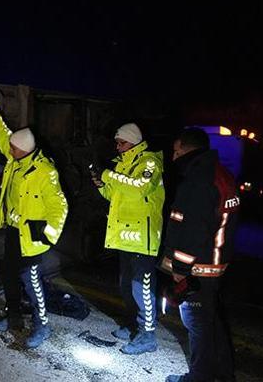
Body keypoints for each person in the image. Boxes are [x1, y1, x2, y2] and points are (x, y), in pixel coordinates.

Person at [0, 88, 69, 349]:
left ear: (23, 150)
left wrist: (47, 234)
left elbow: (60, 205)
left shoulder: (45, 171)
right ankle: (13, 319)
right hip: (13, 230)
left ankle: (41, 326)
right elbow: (2, 134)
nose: (8, 148)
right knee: (8, 276)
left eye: (13, 148)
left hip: (32, 236)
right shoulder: (17, 157)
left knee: (31, 281)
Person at [161, 128, 239, 382]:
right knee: (212, 323)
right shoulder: (219, 173)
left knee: (198, 325)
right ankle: (222, 374)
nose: (173, 157)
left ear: (187, 149)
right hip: (213, 264)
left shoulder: (199, 179)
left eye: (176, 151)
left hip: (197, 269)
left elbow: (192, 230)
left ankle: (199, 377)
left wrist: (179, 272)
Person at [91, 122, 164, 354]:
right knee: (125, 286)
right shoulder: (122, 165)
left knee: (140, 288)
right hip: (125, 236)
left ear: (133, 141)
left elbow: (139, 188)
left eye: (121, 142)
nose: (118, 146)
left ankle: (148, 335)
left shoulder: (149, 162)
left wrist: (108, 174)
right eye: (117, 142)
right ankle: (132, 325)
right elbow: (114, 195)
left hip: (143, 238)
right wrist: (101, 184)